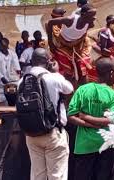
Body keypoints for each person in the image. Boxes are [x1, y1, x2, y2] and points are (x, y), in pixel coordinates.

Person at [22, 48, 73, 180]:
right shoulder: (54, 78)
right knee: (57, 176)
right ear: (48, 61)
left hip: (31, 133)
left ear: (32, 61)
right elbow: (69, 89)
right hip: (53, 132)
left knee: (38, 176)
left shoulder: (23, 80)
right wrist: (55, 73)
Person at [68, 57, 114, 180]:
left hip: (84, 147)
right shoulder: (113, 95)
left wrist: (85, 117)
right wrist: (96, 123)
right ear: (111, 74)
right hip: (106, 147)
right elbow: (111, 120)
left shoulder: (82, 90)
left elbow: (71, 116)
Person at [47, 4, 96, 85]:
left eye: (94, 15)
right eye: (92, 16)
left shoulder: (90, 24)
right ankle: (68, 90)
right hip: (62, 44)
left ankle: (82, 90)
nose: (94, 18)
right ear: (83, 14)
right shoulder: (70, 20)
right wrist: (50, 42)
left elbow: (84, 34)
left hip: (76, 45)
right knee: (68, 71)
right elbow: (50, 23)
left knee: (82, 68)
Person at [0, 38, 21, 105]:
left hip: (11, 81)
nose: (0, 47)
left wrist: (18, 74)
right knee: (2, 102)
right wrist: (2, 77)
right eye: (0, 45)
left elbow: (17, 66)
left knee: (13, 99)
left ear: (7, 45)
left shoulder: (12, 53)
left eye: (3, 45)